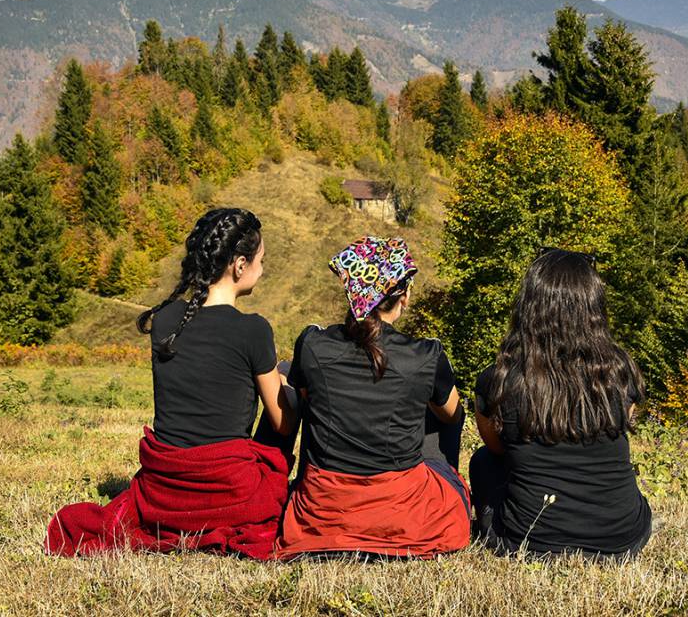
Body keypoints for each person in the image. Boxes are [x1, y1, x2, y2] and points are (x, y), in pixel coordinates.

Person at [45, 208, 298, 559]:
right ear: (240, 265)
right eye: (261, 260)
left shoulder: (165, 320)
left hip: (163, 494)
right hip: (229, 493)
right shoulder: (253, 329)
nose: (262, 269)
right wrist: (288, 383)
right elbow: (282, 425)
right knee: (288, 390)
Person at [276, 236, 470, 559]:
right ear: (404, 295)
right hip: (400, 512)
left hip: (323, 508)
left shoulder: (312, 344)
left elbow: (307, 399)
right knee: (438, 408)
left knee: (316, 400)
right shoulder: (425, 355)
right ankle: (443, 477)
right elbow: (453, 414)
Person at [470, 248, 652, 560]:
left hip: (529, 540)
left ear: (528, 306)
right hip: (622, 537)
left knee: (483, 461)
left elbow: (498, 448)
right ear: (594, 307)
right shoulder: (620, 371)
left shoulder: (498, 379)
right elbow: (622, 422)